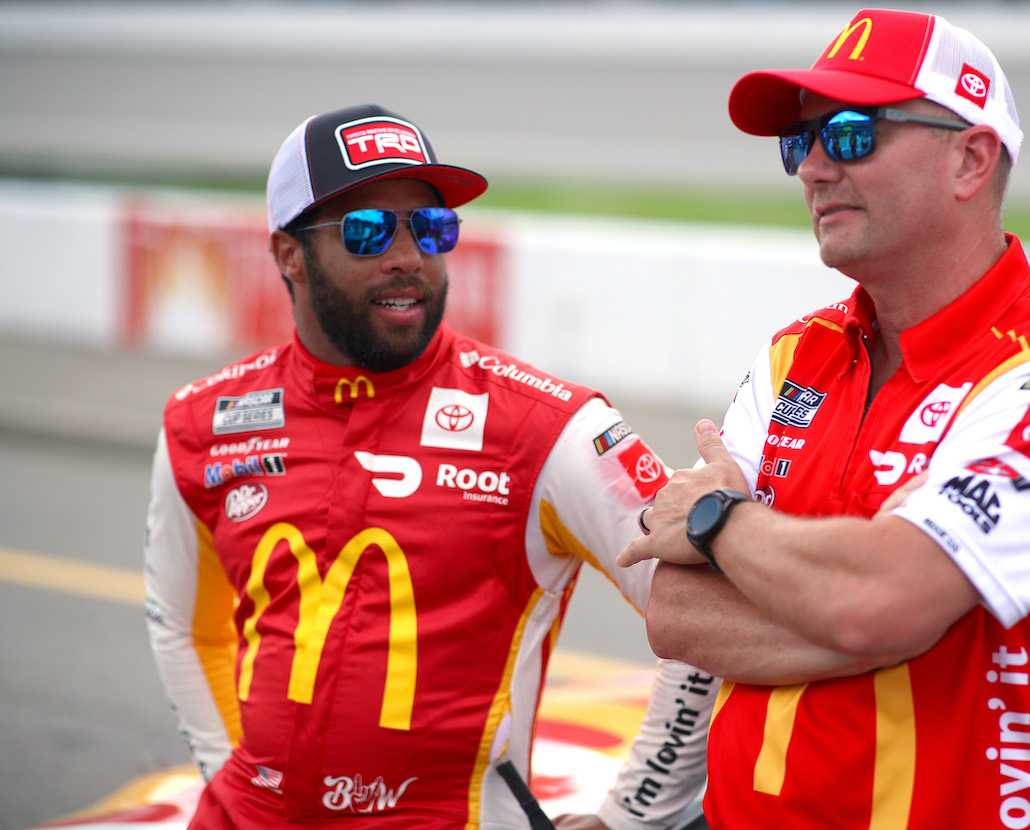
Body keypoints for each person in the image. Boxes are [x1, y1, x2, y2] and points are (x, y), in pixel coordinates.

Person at [618, 9, 1030, 830]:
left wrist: (716, 517)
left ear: (970, 158)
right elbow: (677, 615)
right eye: (799, 144)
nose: (814, 168)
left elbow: (886, 597)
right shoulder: (795, 357)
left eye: (850, 133)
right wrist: (872, 618)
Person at [143, 103, 715, 830]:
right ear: (289, 254)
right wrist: (239, 775)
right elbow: (182, 626)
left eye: (432, 227)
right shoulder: (199, 423)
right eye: (368, 230)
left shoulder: (553, 427)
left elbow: (705, 612)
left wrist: (633, 815)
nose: (409, 254)